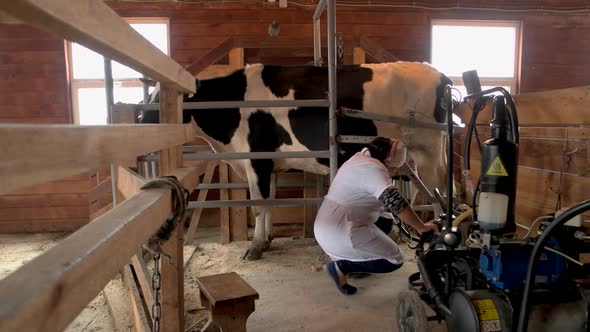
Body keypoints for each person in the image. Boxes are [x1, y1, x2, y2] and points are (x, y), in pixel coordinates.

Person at [314, 137, 439, 295]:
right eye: (395, 169)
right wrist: (421, 226)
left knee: (387, 219)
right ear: (388, 162)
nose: (394, 173)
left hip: (328, 224)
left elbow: (387, 204)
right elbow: (396, 203)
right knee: (394, 260)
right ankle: (341, 266)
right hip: (340, 231)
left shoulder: (359, 158)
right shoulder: (374, 169)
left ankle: (358, 258)